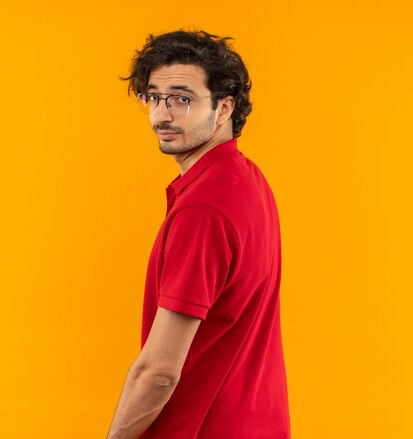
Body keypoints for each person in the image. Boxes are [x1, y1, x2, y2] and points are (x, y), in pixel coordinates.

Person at [107, 30, 290, 439]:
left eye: (181, 99)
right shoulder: (247, 180)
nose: (161, 115)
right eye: (153, 97)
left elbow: (157, 373)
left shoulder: (203, 209)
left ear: (224, 108)